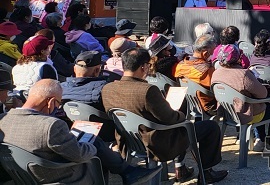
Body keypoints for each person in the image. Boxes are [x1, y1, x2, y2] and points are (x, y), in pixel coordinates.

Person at [0, 79, 161, 185]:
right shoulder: (50, 125)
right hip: (59, 177)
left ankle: (128, 172)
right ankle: (128, 172)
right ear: (50, 102)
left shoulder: (3, 119)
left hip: (23, 176)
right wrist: (88, 145)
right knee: (95, 149)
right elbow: (80, 155)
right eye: (58, 103)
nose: (57, 108)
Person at [102, 48, 228, 183]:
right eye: (149, 65)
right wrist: (181, 115)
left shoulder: (107, 89)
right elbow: (170, 118)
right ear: (144, 67)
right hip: (159, 142)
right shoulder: (147, 90)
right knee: (210, 126)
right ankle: (206, 173)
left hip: (130, 140)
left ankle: (182, 168)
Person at [212, 44, 270, 152]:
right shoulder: (243, 74)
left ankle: (261, 139)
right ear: (238, 58)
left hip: (228, 113)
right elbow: (262, 94)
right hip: (246, 114)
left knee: (258, 103)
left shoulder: (216, 73)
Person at [174, 34, 218, 115]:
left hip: (189, 104)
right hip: (207, 107)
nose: (214, 55)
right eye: (213, 52)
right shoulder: (207, 70)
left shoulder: (180, 65)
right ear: (205, 53)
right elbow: (216, 88)